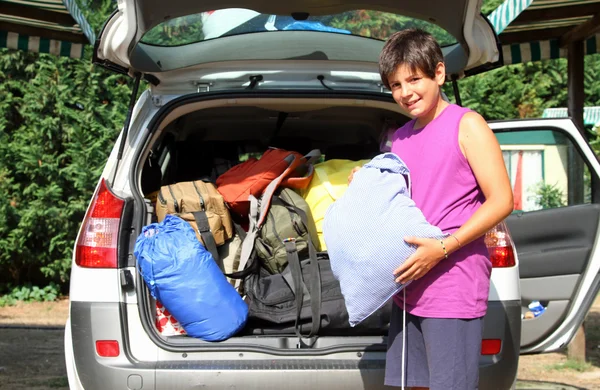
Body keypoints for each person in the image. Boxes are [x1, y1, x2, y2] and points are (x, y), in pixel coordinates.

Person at [349, 28, 514, 389]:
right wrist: (366, 182)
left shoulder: (467, 125)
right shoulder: (401, 137)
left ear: (438, 73)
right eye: (395, 85)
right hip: (409, 290)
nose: (405, 92)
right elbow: (400, 203)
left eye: (414, 79)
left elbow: (503, 200)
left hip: (452, 287)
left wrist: (442, 247)